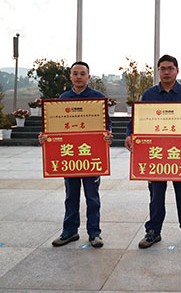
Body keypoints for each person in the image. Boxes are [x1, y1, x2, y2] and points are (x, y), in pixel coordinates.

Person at [125, 54, 181, 249]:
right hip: (156, 154)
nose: (166, 72)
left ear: (177, 71)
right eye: (163, 68)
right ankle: (153, 232)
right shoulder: (149, 95)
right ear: (158, 71)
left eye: (170, 68)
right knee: (156, 196)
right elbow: (137, 120)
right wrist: (129, 135)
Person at [38, 61, 114, 248]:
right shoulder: (63, 98)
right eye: (75, 73)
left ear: (88, 77)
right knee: (71, 196)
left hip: (90, 156)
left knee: (92, 197)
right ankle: (70, 231)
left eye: (82, 73)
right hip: (70, 156)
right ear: (70, 76)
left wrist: (108, 135)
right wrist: (45, 137)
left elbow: (107, 124)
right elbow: (55, 126)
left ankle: (94, 233)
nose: (79, 77)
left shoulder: (98, 98)